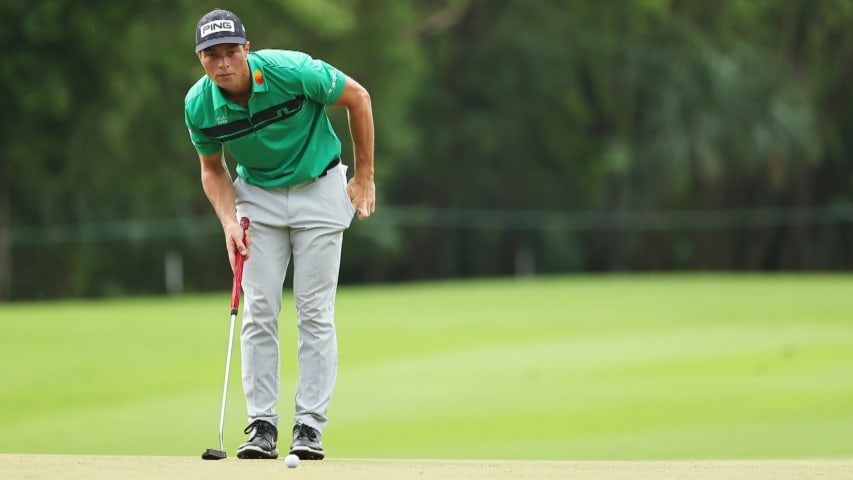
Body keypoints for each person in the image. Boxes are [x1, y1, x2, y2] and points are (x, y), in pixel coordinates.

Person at [184, 9, 375, 460]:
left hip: (321, 185)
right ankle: (262, 426)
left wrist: (364, 175)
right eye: (212, 55)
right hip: (258, 197)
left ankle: (309, 426)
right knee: (260, 309)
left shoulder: (291, 71)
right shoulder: (198, 105)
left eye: (231, 52)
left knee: (314, 311)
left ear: (247, 50)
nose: (224, 62)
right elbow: (213, 170)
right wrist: (230, 222)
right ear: (200, 58)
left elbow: (359, 97)